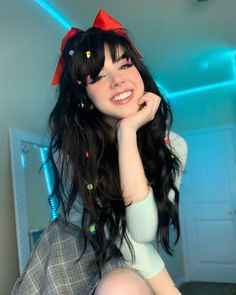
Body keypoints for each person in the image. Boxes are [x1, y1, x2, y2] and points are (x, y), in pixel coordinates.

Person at [12, 9, 187, 295]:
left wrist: (127, 134)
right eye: (98, 76)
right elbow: (116, 234)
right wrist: (127, 132)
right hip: (71, 252)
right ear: (85, 96)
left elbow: (143, 233)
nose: (117, 81)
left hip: (129, 259)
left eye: (124, 65)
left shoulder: (173, 145)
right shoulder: (70, 149)